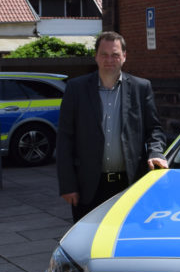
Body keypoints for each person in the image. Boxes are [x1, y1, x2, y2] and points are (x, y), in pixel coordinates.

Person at [57, 31, 168, 222]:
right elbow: (65, 138)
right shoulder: (77, 89)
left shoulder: (141, 88)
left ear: (124, 56)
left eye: (115, 54)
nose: (110, 59)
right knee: (88, 243)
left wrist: (156, 153)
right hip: (89, 187)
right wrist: (68, 185)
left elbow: (155, 130)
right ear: (96, 56)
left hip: (130, 184)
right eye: (104, 54)